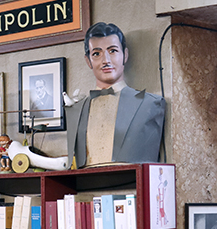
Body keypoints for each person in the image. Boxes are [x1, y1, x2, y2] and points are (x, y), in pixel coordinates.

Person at [64, 22, 166, 168]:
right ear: (88, 61)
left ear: (125, 55)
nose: (106, 60)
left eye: (112, 51)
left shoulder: (150, 104)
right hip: (84, 188)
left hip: (133, 187)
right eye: (97, 54)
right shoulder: (76, 110)